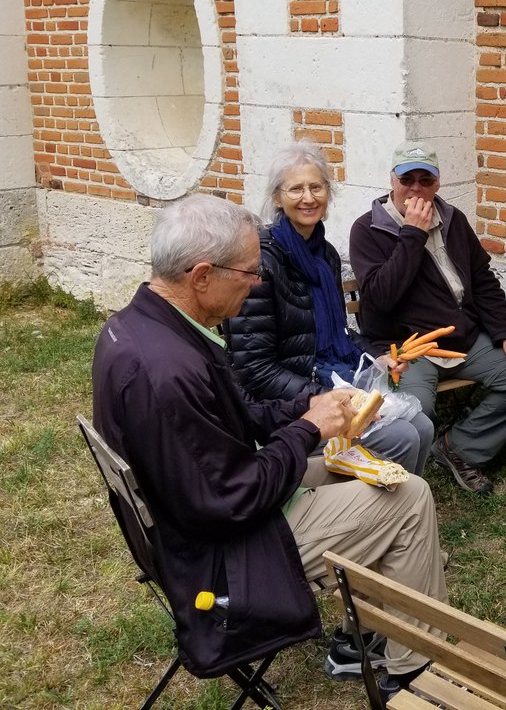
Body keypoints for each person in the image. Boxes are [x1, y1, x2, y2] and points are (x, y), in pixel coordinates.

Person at [92, 194, 446, 700]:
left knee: (372, 471)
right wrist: (306, 432)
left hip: (200, 520)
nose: (257, 283)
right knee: (407, 501)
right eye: (249, 273)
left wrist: (309, 407)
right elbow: (229, 499)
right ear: (201, 276)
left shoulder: (142, 327)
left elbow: (235, 422)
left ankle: (358, 642)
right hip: (223, 555)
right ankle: (412, 675)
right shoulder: (167, 372)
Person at [226, 143, 434, 474]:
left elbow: (339, 333)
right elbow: (256, 369)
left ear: (328, 194)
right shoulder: (262, 263)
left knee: (422, 426)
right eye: (296, 189)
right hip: (286, 402)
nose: (308, 198)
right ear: (278, 198)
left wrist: (376, 356)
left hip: (334, 376)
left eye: (316, 187)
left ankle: (392, 505)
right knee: (402, 437)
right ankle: (372, 514)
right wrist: (322, 397)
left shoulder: (326, 255)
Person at [349, 141, 506, 496]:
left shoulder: (452, 219)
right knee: (415, 414)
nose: (416, 189)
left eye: (425, 180)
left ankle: (459, 448)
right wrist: (413, 234)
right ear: (392, 180)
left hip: (464, 339)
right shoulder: (368, 230)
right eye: (408, 180)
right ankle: (396, 493)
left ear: (437, 184)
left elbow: (483, 281)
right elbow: (382, 298)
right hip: (408, 348)